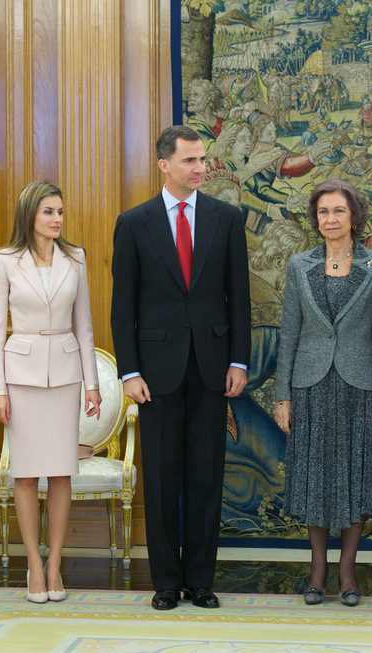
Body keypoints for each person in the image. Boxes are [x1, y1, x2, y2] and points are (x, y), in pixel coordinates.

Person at [110, 125, 251, 611]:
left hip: (213, 369)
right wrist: (129, 372)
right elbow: (121, 307)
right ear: (164, 164)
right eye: (191, 160)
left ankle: (201, 581)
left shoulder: (226, 218)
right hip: (156, 373)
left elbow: (240, 298)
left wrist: (238, 360)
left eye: (203, 159)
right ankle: (167, 582)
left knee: (206, 477)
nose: (201, 168)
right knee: (163, 478)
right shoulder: (134, 223)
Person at [273, 179, 372, 607]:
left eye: (338, 211)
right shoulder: (298, 265)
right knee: (314, 478)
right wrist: (282, 395)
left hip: (361, 387)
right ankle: (317, 571)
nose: (330, 219)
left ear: (354, 216)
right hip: (310, 386)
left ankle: (347, 571)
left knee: (357, 477)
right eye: (323, 212)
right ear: (315, 219)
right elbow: (288, 333)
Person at [0, 181, 101, 604]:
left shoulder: (76, 258)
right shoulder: (4, 260)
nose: (57, 219)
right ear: (29, 215)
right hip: (20, 377)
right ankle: (33, 566)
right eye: (48, 212)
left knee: (59, 472)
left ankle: (55, 563)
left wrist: (92, 383)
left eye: (60, 211)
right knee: (25, 473)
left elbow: (84, 325)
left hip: (67, 375)